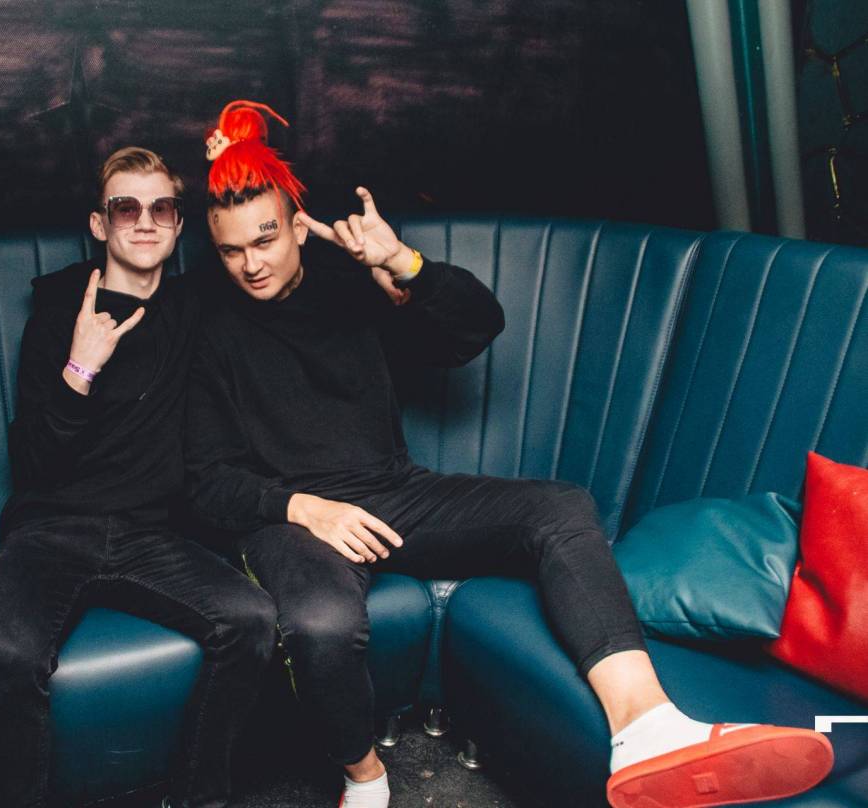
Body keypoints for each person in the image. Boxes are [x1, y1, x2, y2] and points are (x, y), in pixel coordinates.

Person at [184, 100, 835, 808]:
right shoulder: (204, 323)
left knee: (560, 509)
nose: (251, 264)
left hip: (392, 494)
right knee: (321, 624)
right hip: (293, 519)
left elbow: (476, 327)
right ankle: (363, 777)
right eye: (231, 250)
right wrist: (304, 509)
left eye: (266, 239)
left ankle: (646, 727)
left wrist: (401, 263)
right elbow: (205, 481)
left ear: (294, 226)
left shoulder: (349, 282)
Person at [0, 146, 277, 808]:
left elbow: (267, 252)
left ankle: (198, 798)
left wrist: (239, 156)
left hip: (150, 533)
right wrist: (79, 368)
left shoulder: (193, 304)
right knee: (11, 655)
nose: (144, 221)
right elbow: (30, 463)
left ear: (178, 224)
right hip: (51, 530)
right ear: (99, 223)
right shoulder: (60, 313)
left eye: (161, 208)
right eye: (125, 208)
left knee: (252, 618)